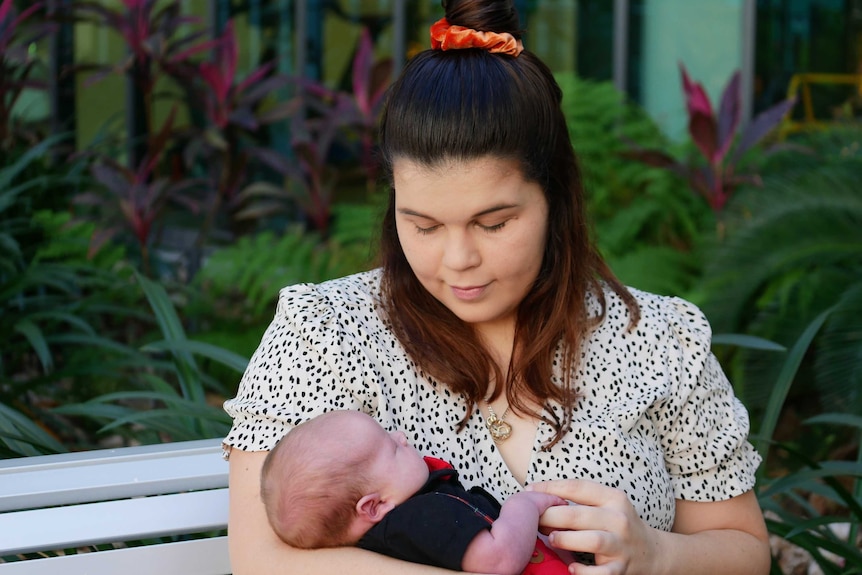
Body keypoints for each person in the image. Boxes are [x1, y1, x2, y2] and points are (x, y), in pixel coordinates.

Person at [222, 0, 772, 573]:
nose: (458, 260)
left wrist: (656, 554)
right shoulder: (325, 332)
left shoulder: (659, 340)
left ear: (554, 199)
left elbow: (744, 550)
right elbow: (264, 559)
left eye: (494, 223)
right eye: (424, 224)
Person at [259, 409, 572, 575]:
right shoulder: (420, 518)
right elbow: (500, 559)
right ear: (373, 506)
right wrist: (525, 505)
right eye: (392, 448)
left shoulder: (403, 531)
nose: (401, 436)